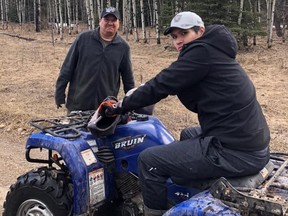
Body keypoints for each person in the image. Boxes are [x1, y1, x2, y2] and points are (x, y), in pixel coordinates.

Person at [104, 11, 270, 216]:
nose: (179, 41)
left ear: (200, 31)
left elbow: (162, 84)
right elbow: (169, 80)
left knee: (149, 161)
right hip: (248, 142)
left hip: (235, 152)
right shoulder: (213, 51)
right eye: (174, 36)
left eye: (184, 33)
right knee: (188, 134)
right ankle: (188, 194)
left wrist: (120, 106)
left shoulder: (201, 53)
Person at [55, 7, 135, 112]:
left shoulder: (123, 47)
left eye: (113, 20)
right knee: (76, 129)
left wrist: (133, 102)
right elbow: (67, 68)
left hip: (106, 107)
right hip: (78, 104)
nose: (110, 23)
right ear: (100, 21)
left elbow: (128, 78)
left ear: (118, 23)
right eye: (106, 19)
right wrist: (59, 94)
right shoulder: (83, 39)